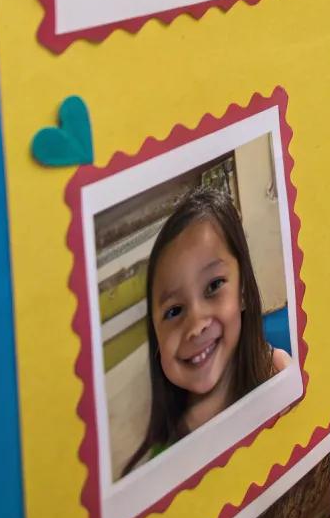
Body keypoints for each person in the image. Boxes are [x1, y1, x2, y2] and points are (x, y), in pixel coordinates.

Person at [125, 186, 291, 473]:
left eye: (213, 286)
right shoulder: (162, 464)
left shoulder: (277, 372)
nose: (196, 324)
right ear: (156, 336)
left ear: (242, 292)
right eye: (174, 311)